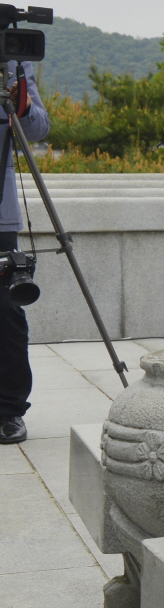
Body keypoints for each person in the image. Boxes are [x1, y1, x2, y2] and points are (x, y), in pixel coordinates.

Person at [0, 56, 48, 444]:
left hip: (0, 214)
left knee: (6, 313)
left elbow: (37, 130)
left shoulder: (12, 62)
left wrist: (20, 101)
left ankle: (8, 410)